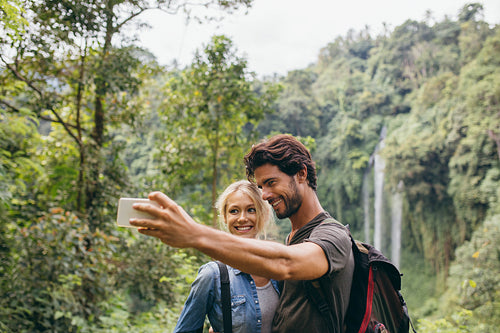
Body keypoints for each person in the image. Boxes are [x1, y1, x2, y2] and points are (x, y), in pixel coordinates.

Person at [130, 134, 355, 333]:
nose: (264, 195)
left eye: (271, 183)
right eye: (261, 186)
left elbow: (286, 264)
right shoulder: (293, 239)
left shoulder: (333, 236)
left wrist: (195, 234)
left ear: (301, 174)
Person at [173, 180, 280, 333]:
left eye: (251, 210)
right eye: (234, 211)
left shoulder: (280, 269)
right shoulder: (213, 276)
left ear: (264, 213)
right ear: (224, 217)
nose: (242, 218)